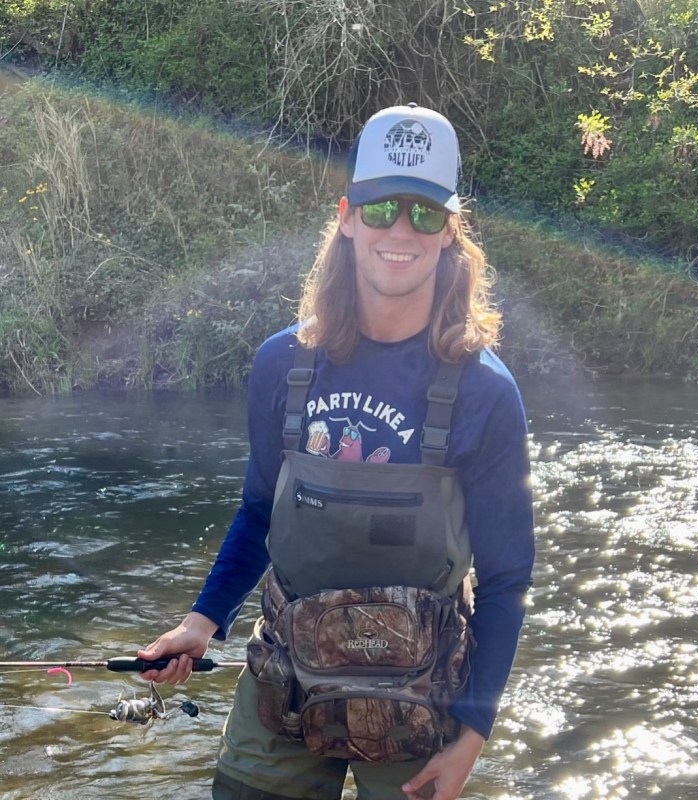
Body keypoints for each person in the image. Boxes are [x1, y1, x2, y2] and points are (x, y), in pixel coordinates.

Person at [139, 103, 535, 800]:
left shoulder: (485, 392)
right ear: (348, 216)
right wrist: (202, 622)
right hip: (284, 677)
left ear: (451, 231)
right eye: (382, 209)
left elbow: (505, 579)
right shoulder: (281, 365)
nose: (400, 231)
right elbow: (262, 507)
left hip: (424, 695)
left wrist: (473, 732)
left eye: (423, 212)